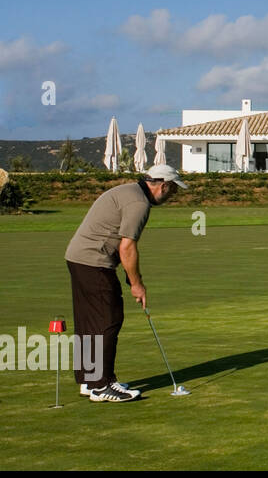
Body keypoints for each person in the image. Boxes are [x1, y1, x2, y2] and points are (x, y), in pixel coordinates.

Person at [64, 163, 187, 402]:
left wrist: (131, 278)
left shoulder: (129, 191)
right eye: (173, 190)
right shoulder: (139, 203)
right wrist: (136, 283)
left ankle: (89, 381)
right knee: (108, 320)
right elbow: (127, 247)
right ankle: (103, 385)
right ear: (163, 186)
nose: (173, 195)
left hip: (79, 257)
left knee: (89, 322)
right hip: (93, 261)